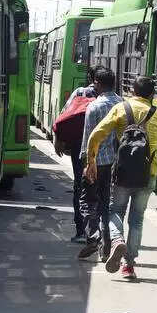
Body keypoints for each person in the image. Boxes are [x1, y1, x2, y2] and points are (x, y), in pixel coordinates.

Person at [85, 76, 157, 280]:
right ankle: (129, 265)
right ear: (152, 95)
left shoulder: (121, 109)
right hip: (148, 174)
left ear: (132, 91)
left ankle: (117, 240)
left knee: (115, 211)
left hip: (122, 173)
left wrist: (91, 161)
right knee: (137, 219)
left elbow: (96, 135)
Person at [76, 67, 121, 261]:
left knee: (86, 201)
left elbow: (88, 137)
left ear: (97, 83)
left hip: (96, 163)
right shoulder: (123, 105)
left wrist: (86, 164)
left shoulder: (94, 106)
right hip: (115, 163)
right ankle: (107, 245)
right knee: (106, 205)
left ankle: (93, 237)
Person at [54, 66, 102, 242]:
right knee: (101, 190)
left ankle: (81, 230)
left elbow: (64, 115)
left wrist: (58, 139)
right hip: (103, 150)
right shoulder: (113, 99)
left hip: (80, 148)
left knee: (80, 187)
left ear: (90, 77)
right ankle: (99, 231)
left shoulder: (80, 92)